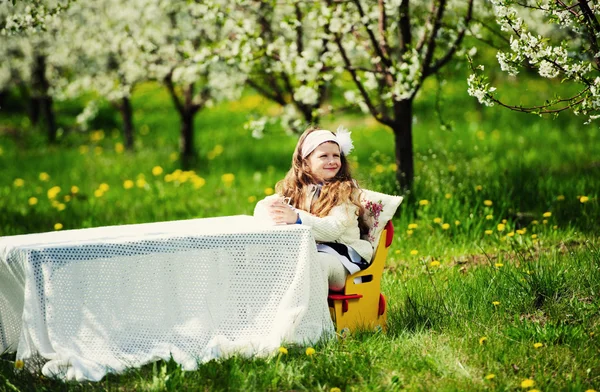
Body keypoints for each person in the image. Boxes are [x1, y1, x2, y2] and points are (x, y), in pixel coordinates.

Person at [254, 126, 373, 291]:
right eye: (324, 156)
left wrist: (297, 218)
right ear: (306, 162)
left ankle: (312, 314)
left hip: (344, 257)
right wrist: (273, 211)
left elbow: (333, 229)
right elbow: (263, 207)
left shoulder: (345, 190)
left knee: (314, 264)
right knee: (269, 258)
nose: (332, 161)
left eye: (336, 156)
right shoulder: (296, 188)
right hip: (311, 253)